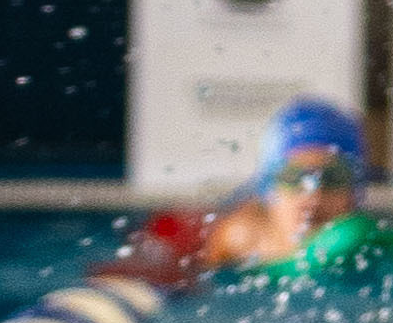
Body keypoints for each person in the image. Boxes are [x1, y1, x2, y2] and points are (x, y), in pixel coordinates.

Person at [107, 97, 369, 290]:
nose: (312, 195)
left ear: (355, 191)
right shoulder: (242, 237)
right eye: (293, 177)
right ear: (270, 187)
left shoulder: (365, 245)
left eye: (333, 178)